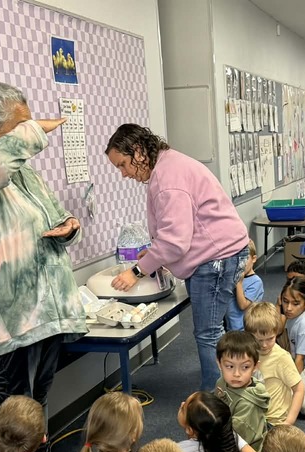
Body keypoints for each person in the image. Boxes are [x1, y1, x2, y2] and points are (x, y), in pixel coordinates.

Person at [0, 82, 87, 413]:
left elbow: (56, 215)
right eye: (19, 124)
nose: (29, 130)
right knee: (16, 403)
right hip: (7, 312)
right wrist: (36, 129)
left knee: (38, 399)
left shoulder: (24, 172)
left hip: (45, 308)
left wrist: (69, 228)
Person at [106, 124, 250, 391]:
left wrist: (137, 271)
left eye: (123, 164)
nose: (124, 174)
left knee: (208, 334)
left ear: (138, 152)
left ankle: (214, 399)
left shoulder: (167, 178)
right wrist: (156, 253)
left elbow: (175, 241)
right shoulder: (169, 164)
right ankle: (229, 389)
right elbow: (179, 230)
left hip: (216, 257)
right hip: (222, 251)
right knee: (216, 331)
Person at [244, 302, 304, 427]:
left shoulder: (281, 357)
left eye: (270, 338)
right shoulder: (247, 353)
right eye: (259, 340)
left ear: (276, 333)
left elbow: (299, 389)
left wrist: (289, 422)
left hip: (274, 420)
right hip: (253, 416)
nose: (264, 345)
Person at [214, 331, 270, 452]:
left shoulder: (247, 405)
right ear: (219, 364)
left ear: (255, 367)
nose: (236, 374)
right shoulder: (221, 382)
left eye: (245, 367)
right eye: (230, 366)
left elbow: (232, 441)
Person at [229, 241, 264, 331]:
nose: (240, 264)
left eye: (244, 259)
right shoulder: (233, 277)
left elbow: (243, 305)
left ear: (253, 259)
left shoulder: (256, 282)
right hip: (230, 327)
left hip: (244, 329)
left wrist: (239, 283)